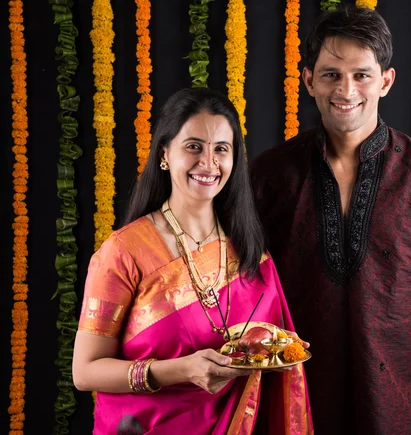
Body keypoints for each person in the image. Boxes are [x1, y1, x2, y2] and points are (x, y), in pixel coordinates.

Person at [250, 6, 411, 434]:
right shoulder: (269, 177)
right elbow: (236, 294)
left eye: (362, 75)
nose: (346, 90)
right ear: (308, 80)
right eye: (331, 74)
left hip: (399, 415)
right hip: (292, 412)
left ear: (386, 80)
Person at [72, 87, 313, 435]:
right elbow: (84, 372)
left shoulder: (247, 247)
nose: (209, 163)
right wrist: (181, 370)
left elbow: (266, 335)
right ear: (165, 153)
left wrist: (275, 346)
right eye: (194, 147)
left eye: (221, 150)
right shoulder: (124, 252)